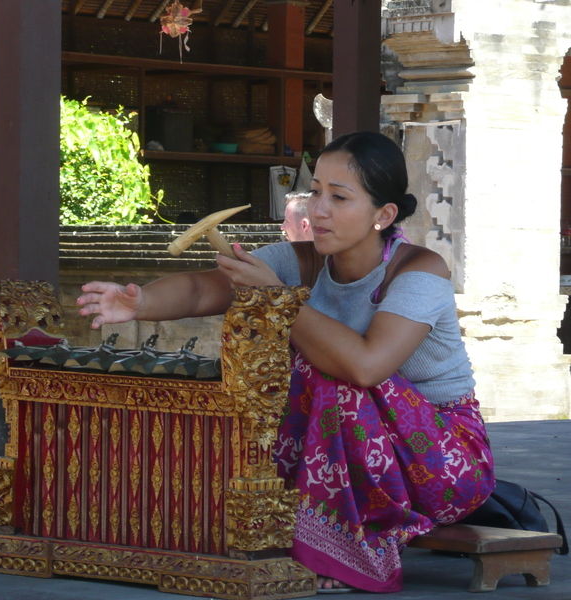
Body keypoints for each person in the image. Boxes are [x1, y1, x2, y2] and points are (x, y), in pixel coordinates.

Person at [77, 131, 495, 594]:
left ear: (384, 215)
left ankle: (346, 554)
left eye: (339, 197)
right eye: (315, 191)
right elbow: (205, 288)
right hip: (366, 450)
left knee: (330, 375)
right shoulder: (300, 261)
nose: (318, 209)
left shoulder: (419, 272)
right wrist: (138, 303)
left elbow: (366, 366)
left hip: (446, 463)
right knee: (269, 373)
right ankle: (280, 526)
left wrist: (276, 298)